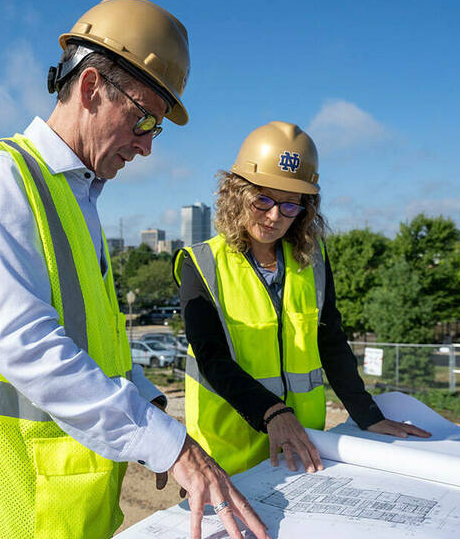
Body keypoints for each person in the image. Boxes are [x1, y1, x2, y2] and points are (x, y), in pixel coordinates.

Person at [0, 0, 269, 539]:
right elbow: (27, 346)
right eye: (144, 118)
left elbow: (99, 344)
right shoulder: (1, 179)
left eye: (157, 129)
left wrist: (157, 416)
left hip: (66, 500)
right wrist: (168, 446)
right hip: (13, 503)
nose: (148, 146)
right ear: (89, 88)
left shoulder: (77, 197)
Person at [174, 121, 430, 477]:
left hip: (302, 450)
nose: (274, 216)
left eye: (290, 206)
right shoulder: (200, 263)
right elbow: (212, 358)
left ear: (306, 210)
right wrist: (274, 413)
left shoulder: (313, 261)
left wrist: (367, 415)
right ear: (237, 194)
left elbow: (331, 341)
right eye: (262, 200)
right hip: (226, 455)